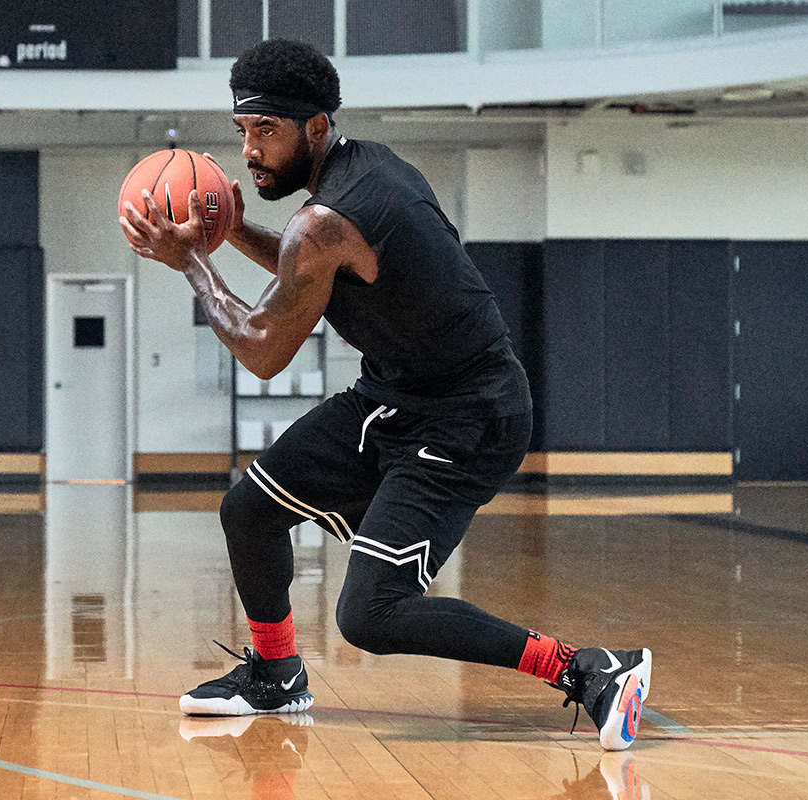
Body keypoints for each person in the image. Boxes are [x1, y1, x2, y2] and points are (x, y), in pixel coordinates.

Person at [120, 38, 651, 751]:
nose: (249, 150)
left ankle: (588, 668)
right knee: (249, 510)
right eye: (243, 130)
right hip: (396, 396)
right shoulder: (362, 172)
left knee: (371, 612)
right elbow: (311, 257)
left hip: (472, 414)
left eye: (266, 131)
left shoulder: (328, 219)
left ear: (315, 127)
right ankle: (276, 676)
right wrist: (232, 228)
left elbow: (263, 349)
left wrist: (192, 263)